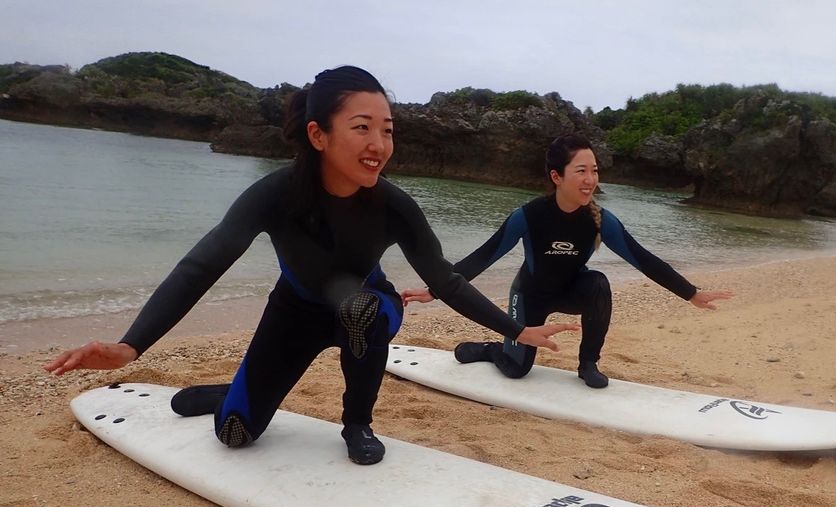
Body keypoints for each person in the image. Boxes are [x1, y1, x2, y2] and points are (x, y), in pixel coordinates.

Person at [44, 66, 576, 465]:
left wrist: (516, 329)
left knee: (359, 308)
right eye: (363, 128)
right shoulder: (275, 195)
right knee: (234, 436)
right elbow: (201, 265)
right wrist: (131, 345)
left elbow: (446, 280)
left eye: (387, 130)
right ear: (319, 135)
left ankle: (357, 424)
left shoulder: (394, 205)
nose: (379, 145)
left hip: (370, 306)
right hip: (294, 312)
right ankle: (231, 397)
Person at [401, 134, 733, 389]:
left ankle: (588, 363)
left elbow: (643, 258)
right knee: (516, 370)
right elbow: (485, 255)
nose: (590, 179)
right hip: (530, 295)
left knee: (599, 284)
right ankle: (490, 350)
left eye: (595, 171)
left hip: (572, 290)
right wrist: (437, 288)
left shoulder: (601, 220)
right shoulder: (528, 216)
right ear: (557, 177)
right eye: (581, 171)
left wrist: (691, 293)